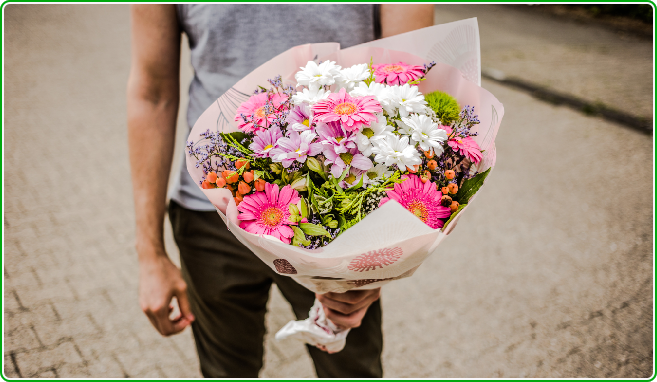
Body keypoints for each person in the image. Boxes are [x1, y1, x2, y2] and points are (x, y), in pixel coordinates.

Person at [127, 4, 434, 378]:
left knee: (351, 369)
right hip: (211, 216)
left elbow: (412, 83)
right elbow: (152, 93)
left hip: (339, 222)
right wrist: (150, 255)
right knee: (224, 371)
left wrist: (382, 263)